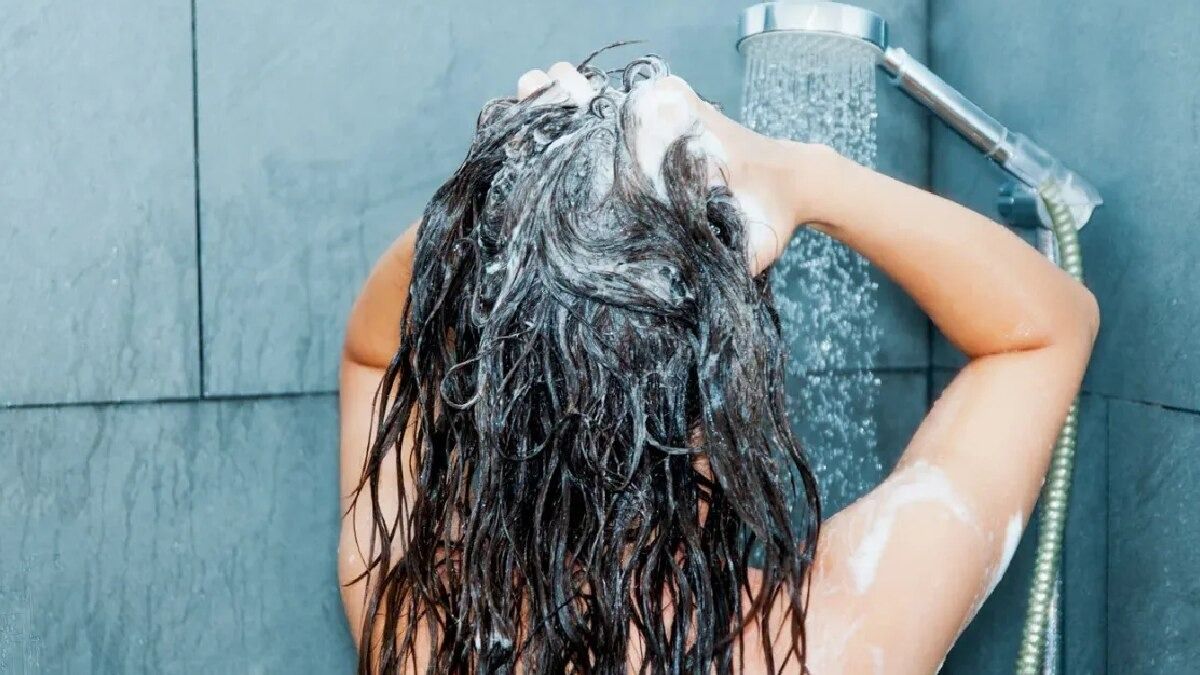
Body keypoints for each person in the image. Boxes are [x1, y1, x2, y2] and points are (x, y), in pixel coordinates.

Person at [336, 54, 1099, 674]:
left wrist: (508, 193)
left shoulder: (421, 627)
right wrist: (805, 175)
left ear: (499, 398)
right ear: (727, 387)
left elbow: (374, 351)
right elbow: (1045, 330)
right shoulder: (838, 638)